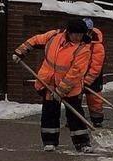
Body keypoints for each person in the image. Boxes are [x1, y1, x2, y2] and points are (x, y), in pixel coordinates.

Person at [13, 19, 93, 152]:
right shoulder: (53, 37)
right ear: (68, 32)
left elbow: (75, 73)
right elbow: (35, 40)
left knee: (75, 114)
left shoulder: (83, 49)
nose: (78, 37)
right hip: (48, 83)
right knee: (49, 112)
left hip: (70, 88)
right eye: (75, 34)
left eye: (80, 35)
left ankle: (83, 143)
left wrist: (61, 90)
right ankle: (49, 141)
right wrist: (20, 52)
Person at [82, 18, 105, 127]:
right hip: (77, 75)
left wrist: (88, 80)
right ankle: (74, 118)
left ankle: (97, 119)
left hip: (93, 77)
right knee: (74, 98)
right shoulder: (78, 42)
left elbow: (96, 65)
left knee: (94, 99)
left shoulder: (97, 46)